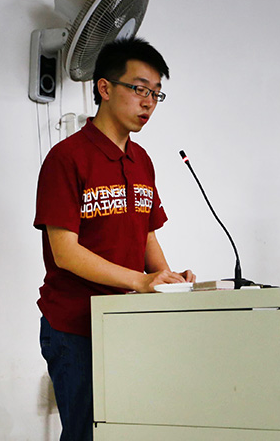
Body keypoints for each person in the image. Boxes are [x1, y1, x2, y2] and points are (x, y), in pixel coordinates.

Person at [34, 38, 195, 441]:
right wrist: (141, 281)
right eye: (139, 89)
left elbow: (146, 234)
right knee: (87, 435)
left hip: (127, 323)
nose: (148, 103)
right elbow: (65, 253)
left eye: (156, 94)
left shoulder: (142, 161)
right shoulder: (67, 158)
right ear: (104, 88)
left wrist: (168, 280)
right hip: (76, 327)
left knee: (128, 432)